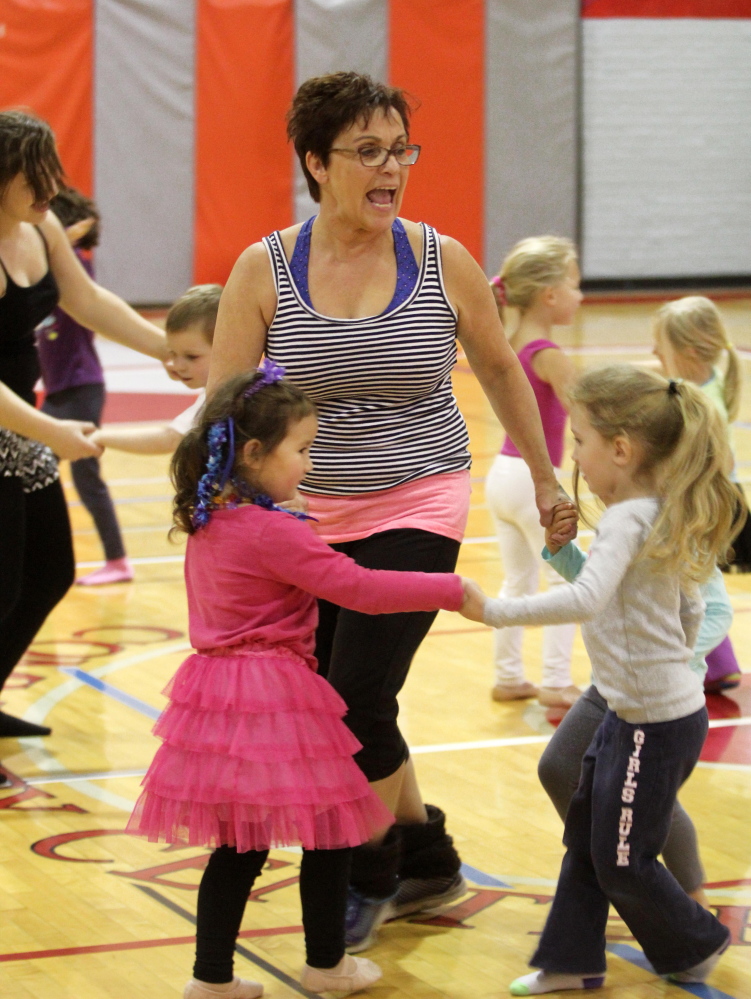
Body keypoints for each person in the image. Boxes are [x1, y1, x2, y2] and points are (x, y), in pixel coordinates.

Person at [206, 71, 564, 950]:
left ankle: (368, 873)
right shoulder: (265, 268)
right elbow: (224, 402)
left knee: (353, 691)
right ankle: (427, 851)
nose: (390, 166)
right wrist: (214, 507)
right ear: (314, 163)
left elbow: (498, 368)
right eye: (366, 150)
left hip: (420, 498)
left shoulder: (440, 258)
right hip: (306, 521)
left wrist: (551, 479)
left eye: (399, 148)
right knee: (354, 702)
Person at [126, 361, 470, 999]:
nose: (309, 464)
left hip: (216, 697)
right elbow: (360, 589)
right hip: (276, 695)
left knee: (237, 848)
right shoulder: (273, 532)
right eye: (302, 450)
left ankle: (211, 980)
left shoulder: (211, 518)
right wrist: (452, 588)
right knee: (329, 830)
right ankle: (326, 964)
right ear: (255, 453)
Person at [460, 365, 737, 992]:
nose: (574, 455)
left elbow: (587, 601)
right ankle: (570, 960)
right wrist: (562, 554)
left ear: (621, 449)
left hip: (652, 723)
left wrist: (492, 610)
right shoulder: (653, 513)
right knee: (588, 840)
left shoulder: (629, 519)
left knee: (619, 858)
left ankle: (695, 941)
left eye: (579, 441)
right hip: (634, 710)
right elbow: (675, 605)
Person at [0, 109, 166, 742]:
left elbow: (90, 303)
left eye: (52, 169)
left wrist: (168, 350)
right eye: (34, 172)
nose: (51, 186)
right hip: (17, 422)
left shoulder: (41, 227)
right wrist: (48, 431)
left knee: (48, 572)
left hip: (20, 426)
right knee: (3, 583)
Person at [537, 501, 733, 910]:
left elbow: (716, 610)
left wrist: (665, 656)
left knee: (654, 798)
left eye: (585, 444)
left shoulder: (677, 523)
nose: (581, 465)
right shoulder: (619, 521)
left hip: (659, 694)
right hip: (608, 686)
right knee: (558, 767)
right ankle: (602, 871)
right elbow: (599, 591)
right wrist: (562, 553)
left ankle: (692, 897)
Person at [486, 236, 581, 709]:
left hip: (501, 476)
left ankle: (508, 676)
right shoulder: (547, 352)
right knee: (568, 584)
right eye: (574, 285)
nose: (580, 296)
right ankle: (558, 682)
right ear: (549, 295)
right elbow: (584, 415)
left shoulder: (511, 344)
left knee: (518, 582)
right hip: (531, 481)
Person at [35, 185, 133, 585]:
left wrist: (66, 240)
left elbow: (78, 293)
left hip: (80, 387)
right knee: (42, 470)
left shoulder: (73, 264)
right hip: (61, 390)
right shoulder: (40, 268)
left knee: (79, 476)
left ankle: (117, 561)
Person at [653, 295, 746, 692]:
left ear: (688, 350)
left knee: (695, 587)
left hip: (704, 503)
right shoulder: (705, 382)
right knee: (693, 584)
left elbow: (718, 462)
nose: (653, 350)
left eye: (661, 343)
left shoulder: (697, 399)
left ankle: (686, 664)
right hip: (712, 499)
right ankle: (720, 665)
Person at [92, 284, 220, 455]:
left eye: (191, 357)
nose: (177, 365)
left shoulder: (218, 396)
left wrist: (100, 437)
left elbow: (170, 439)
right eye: (172, 354)